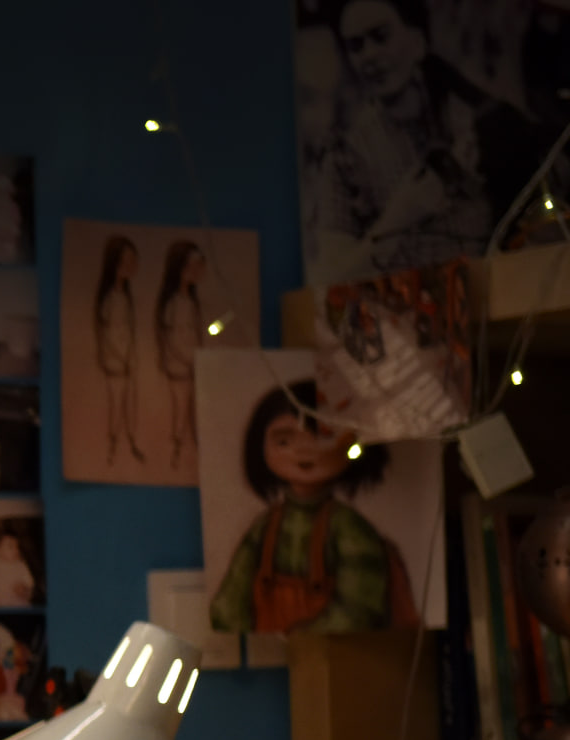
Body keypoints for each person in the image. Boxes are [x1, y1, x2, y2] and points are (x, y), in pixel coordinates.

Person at [305, 0, 545, 279]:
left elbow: (534, 234)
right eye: (356, 46)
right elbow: (333, 278)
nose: (369, 55)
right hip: (400, 316)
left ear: (418, 41)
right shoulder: (344, 154)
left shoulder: (479, 125)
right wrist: (400, 217)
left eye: (381, 37)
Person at [208, 378, 416, 633]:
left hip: (338, 657)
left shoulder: (348, 527)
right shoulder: (264, 527)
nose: (303, 450)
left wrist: (307, 638)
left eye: (320, 437)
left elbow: (360, 604)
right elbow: (233, 594)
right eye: (284, 441)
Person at [154, 240, 207, 468]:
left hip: (193, 366)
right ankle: (176, 453)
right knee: (181, 410)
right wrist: (190, 360)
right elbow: (172, 341)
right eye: (190, 267)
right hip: (180, 367)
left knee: (192, 410)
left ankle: (189, 453)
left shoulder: (191, 301)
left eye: (199, 266)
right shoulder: (173, 303)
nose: (196, 272)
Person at [94, 236, 144, 466]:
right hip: (115, 361)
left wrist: (131, 356)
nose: (131, 266)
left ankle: (130, 442)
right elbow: (107, 335)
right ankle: (111, 448)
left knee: (129, 403)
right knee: (116, 404)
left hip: (127, 360)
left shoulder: (126, 296)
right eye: (126, 261)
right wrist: (118, 357)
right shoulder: (110, 298)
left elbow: (128, 332)